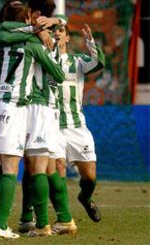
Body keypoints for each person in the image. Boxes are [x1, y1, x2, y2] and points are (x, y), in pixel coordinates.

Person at [0, 0, 66, 239]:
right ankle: (4, 225)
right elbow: (58, 74)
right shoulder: (32, 42)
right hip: (15, 106)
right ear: (26, 20)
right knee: (14, 169)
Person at [53, 21, 105, 224]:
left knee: (90, 177)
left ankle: (85, 197)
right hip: (52, 126)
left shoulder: (78, 61)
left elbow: (99, 63)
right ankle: (63, 218)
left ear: (67, 38)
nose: (57, 33)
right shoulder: (40, 60)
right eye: (53, 30)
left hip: (76, 126)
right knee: (58, 172)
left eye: (61, 30)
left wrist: (90, 41)